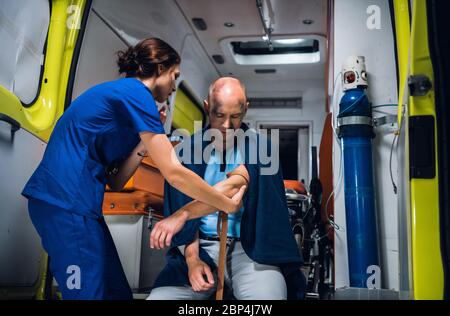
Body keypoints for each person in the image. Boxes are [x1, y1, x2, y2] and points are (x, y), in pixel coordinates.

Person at [21, 39, 245, 300]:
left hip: (82, 207)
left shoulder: (130, 109)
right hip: (64, 202)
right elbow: (173, 172)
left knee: (117, 291)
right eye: (175, 76)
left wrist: (142, 143)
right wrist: (224, 203)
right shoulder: (135, 92)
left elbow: (115, 182)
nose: (174, 86)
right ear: (160, 68)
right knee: (86, 293)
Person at [147, 77, 305, 300]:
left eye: (236, 117)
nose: (226, 126)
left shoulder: (262, 148)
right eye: (219, 115)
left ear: (246, 109)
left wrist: (182, 215)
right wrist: (192, 260)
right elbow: (183, 211)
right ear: (206, 107)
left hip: (251, 251)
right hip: (199, 247)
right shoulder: (185, 151)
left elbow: (232, 187)